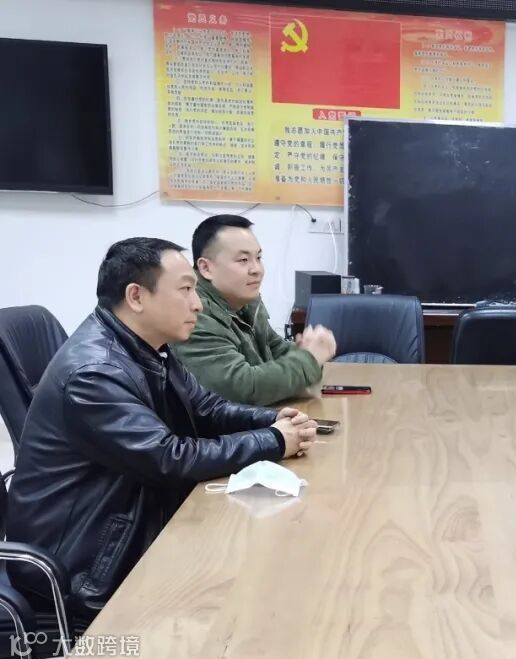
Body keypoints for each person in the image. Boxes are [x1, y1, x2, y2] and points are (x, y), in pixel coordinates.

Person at [5, 237, 319, 622]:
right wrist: (274, 440)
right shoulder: (94, 373)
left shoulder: (148, 346)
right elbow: (170, 458)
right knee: (253, 585)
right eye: (185, 290)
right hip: (86, 569)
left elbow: (207, 408)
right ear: (136, 297)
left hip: (131, 517)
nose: (198, 303)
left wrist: (271, 420)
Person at [172, 214, 337, 406]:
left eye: (258, 258)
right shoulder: (194, 313)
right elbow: (242, 387)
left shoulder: (246, 301)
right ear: (206, 268)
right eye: (243, 260)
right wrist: (309, 360)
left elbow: (276, 349)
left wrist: (308, 352)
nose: (257, 269)